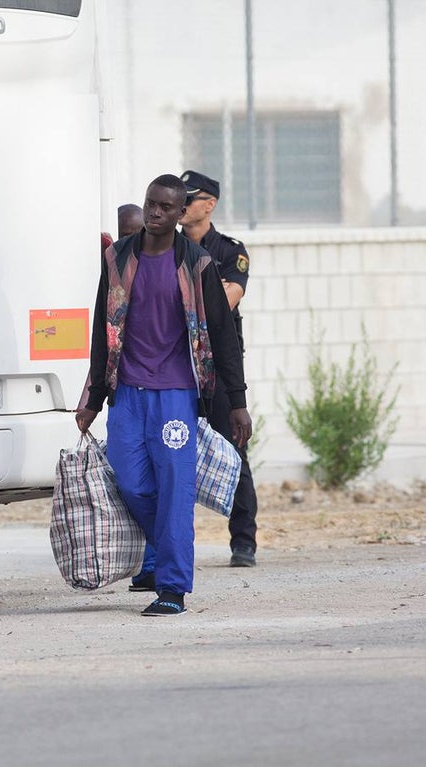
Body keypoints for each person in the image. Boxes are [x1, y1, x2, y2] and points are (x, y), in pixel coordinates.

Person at [77, 174, 252, 616]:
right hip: (128, 394)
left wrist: (237, 401)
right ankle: (164, 544)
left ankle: (172, 587)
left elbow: (222, 334)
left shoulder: (196, 263)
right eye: (151, 204)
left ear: (179, 215)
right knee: (131, 481)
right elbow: (104, 329)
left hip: (176, 393)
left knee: (175, 489)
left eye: (165, 208)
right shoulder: (117, 258)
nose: (155, 213)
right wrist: (93, 396)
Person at [180, 170, 260, 567]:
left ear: (209, 204)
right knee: (172, 450)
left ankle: (243, 541)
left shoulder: (229, 251)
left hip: (218, 365)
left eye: (189, 199)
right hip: (176, 363)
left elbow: (223, 303)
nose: (180, 205)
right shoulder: (167, 247)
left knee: (234, 447)